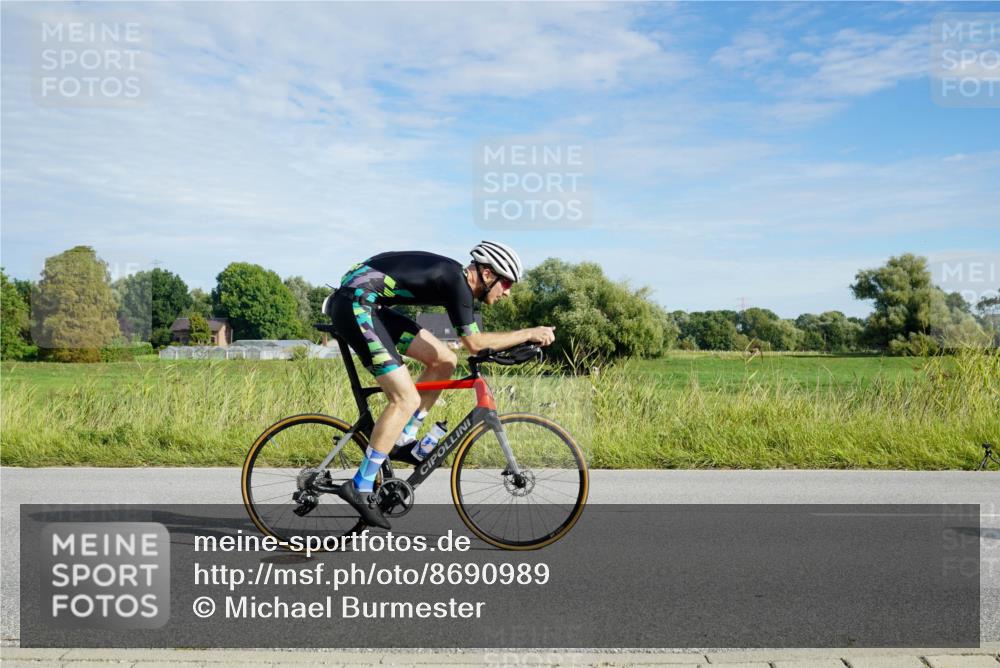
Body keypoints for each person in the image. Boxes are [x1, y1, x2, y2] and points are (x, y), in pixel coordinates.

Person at [325, 241, 555, 529]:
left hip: (370, 304)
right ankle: (360, 484)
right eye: (506, 282)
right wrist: (528, 333)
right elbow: (474, 344)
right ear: (486, 274)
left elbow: (468, 347)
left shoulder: (454, 281)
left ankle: (403, 438)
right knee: (405, 399)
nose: (507, 292)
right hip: (355, 305)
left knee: (444, 361)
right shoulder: (458, 284)